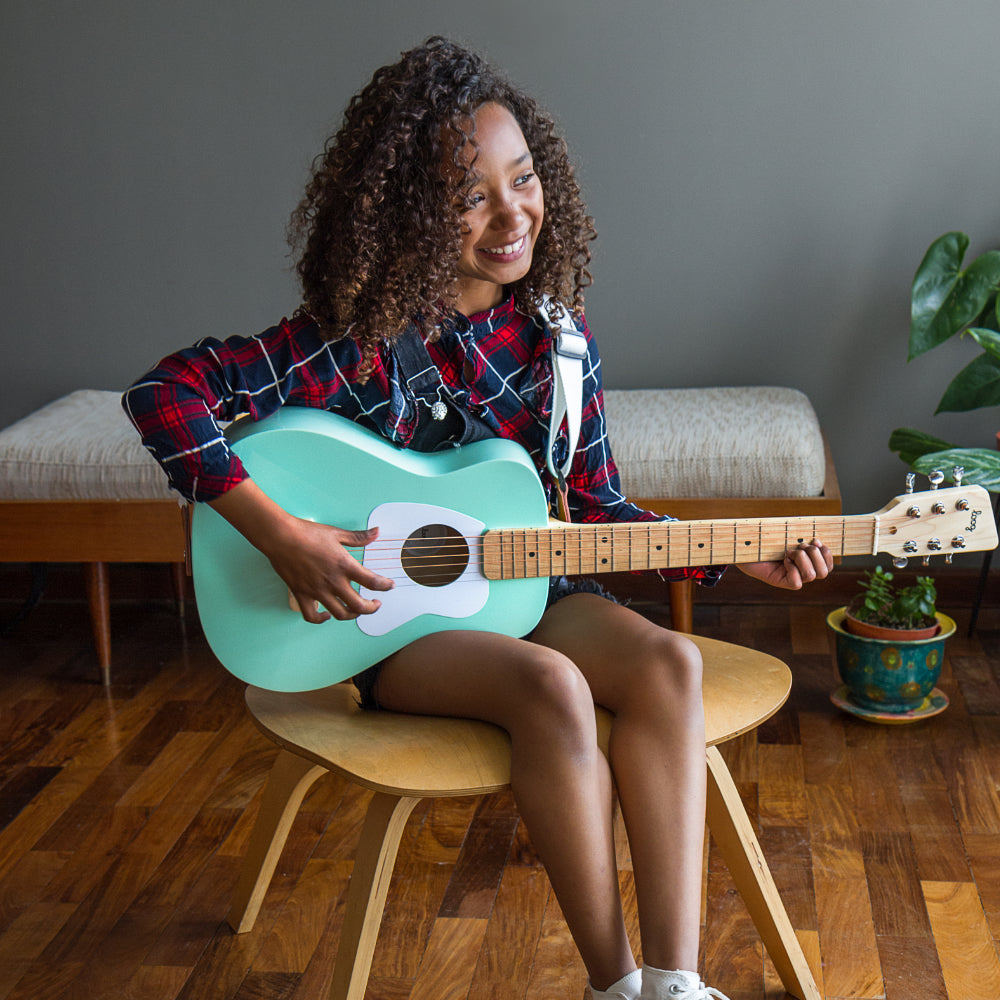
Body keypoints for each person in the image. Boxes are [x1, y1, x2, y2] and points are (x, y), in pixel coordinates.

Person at [123, 37, 832, 1000]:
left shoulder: (558, 343)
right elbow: (165, 393)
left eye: (524, 179)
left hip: (529, 588)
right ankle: (613, 983)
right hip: (392, 623)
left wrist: (733, 561)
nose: (513, 214)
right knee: (550, 687)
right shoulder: (349, 344)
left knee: (671, 660)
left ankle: (675, 981)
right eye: (472, 196)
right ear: (409, 215)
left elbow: (593, 508)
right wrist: (281, 536)